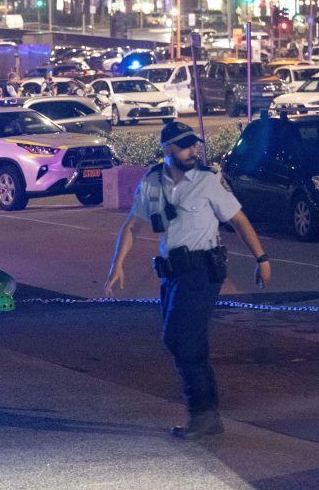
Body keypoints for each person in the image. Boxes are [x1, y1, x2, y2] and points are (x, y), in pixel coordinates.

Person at [104, 121, 271, 440]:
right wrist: (118, 265)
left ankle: (202, 414)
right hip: (172, 272)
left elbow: (238, 219)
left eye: (195, 144)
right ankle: (208, 416)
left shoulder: (208, 182)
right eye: (185, 145)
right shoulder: (152, 181)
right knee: (186, 341)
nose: (194, 149)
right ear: (168, 150)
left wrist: (261, 258)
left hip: (202, 271)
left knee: (179, 338)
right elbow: (132, 226)